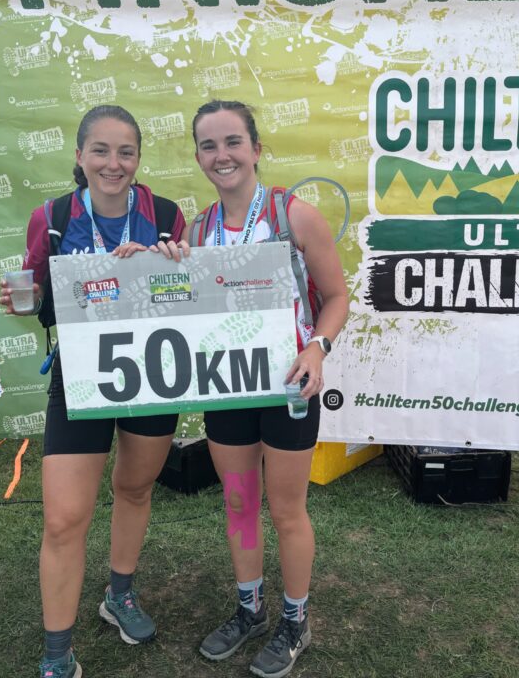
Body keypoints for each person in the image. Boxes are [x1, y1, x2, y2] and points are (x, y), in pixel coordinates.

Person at [0, 105, 189, 678]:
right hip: (80, 374)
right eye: (101, 151)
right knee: (63, 519)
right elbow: (37, 287)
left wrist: (170, 263)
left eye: (125, 151)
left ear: (138, 158)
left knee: (133, 488)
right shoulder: (53, 216)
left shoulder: (168, 215)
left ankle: (120, 595)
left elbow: (187, 297)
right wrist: (22, 298)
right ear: (80, 156)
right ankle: (58, 656)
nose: (114, 163)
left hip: (152, 375)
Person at [190, 100, 349, 678]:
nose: (221, 155)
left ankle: (295, 619)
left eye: (233, 141)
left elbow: (336, 298)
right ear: (199, 157)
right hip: (227, 385)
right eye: (209, 145)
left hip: (287, 386)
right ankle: (250, 608)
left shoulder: (295, 215)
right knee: (238, 503)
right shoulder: (198, 228)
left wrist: (317, 347)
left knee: (285, 509)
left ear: (257, 149)